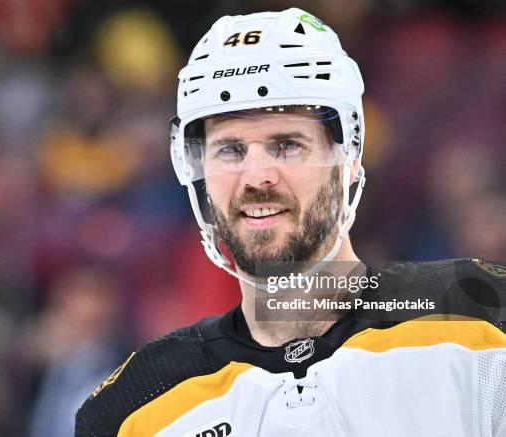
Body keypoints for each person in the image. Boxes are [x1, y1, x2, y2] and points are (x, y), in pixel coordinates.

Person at [75, 8, 505, 436]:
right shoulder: (134, 409)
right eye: (230, 150)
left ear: (348, 159)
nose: (257, 175)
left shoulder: (483, 320)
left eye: (285, 145)